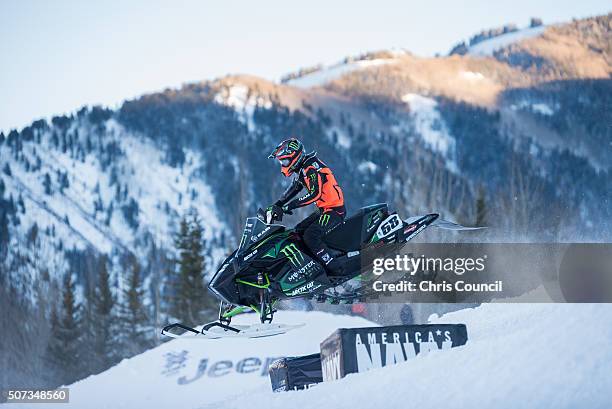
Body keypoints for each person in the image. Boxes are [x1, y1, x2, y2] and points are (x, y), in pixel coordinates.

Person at [267, 138, 346, 274]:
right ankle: (312, 271)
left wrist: (289, 207)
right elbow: (294, 188)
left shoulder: (311, 167)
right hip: (324, 210)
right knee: (297, 232)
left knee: (311, 236)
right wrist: (277, 205)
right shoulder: (303, 168)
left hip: (334, 211)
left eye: (284, 161)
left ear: (294, 157)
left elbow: (315, 193)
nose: (283, 165)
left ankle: (337, 270)